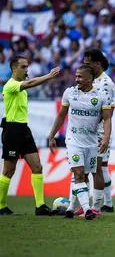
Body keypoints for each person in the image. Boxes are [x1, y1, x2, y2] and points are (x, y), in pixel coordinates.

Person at [47, 65, 112, 220]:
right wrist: (51, 135)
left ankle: (70, 208)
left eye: (80, 77)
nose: (77, 79)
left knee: (88, 174)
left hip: (91, 142)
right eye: (76, 76)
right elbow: (61, 116)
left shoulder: (101, 95)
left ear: (90, 79)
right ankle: (87, 209)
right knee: (78, 174)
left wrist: (106, 137)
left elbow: (108, 118)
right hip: (73, 140)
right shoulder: (69, 92)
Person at [0, 57, 60, 215]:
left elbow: (28, 84)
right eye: (23, 67)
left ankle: (40, 206)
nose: (27, 69)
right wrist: (48, 76)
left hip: (24, 130)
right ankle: (1, 206)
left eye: (27, 66)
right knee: (8, 171)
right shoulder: (11, 86)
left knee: (37, 167)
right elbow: (30, 83)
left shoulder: (21, 89)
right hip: (12, 131)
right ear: (14, 69)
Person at [82, 49, 115, 213]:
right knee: (100, 167)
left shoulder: (106, 83)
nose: (84, 66)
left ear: (97, 64)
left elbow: (108, 112)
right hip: (88, 130)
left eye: (87, 64)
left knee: (99, 167)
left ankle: (99, 205)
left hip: (100, 131)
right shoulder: (90, 80)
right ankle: (107, 204)